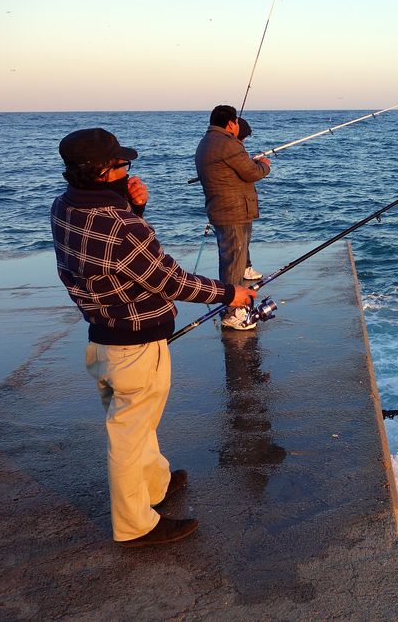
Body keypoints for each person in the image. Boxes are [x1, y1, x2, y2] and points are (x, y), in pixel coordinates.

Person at [51, 127, 257, 547]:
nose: (129, 168)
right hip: (135, 343)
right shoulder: (121, 225)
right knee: (127, 434)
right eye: (122, 164)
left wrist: (133, 206)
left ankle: (156, 485)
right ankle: (135, 525)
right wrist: (230, 293)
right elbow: (169, 280)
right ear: (104, 171)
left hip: (104, 337)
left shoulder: (64, 207)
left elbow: (116, 260)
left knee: (138, 421)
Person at [194, 105, 271, 330]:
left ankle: (234, 306)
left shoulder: (206, 142)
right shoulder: (228, 144)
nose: (238, 126)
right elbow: (252, 173)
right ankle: (232, 313)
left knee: (232, 260)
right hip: (232, 211)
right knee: (233, 262)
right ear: (230, 124)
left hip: (223, 209)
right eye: (236, 122)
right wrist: (264, 165)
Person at [235, 117, 262, 282]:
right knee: (241, 239)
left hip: (239, 205)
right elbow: (251, 174)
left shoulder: (232, 149)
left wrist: (249, 163)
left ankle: (245, 267)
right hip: (239, 206)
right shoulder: (235, 149)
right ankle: (244, 269)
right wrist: (262, 165)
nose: (245, 140)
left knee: (242, 240)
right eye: (244, 136)